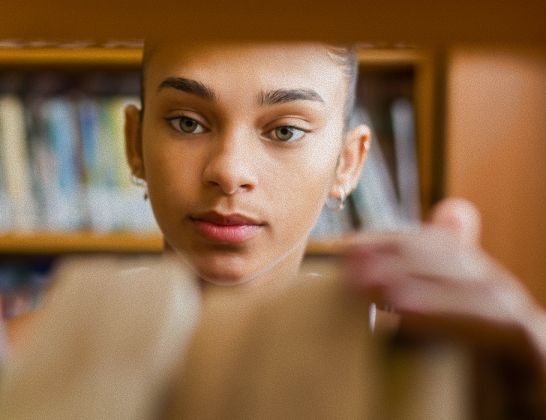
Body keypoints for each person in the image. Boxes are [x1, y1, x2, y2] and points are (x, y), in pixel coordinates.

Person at [1, 40, 544, 417]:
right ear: (134, 143)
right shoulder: (19, 363)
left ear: (349, 163)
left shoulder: (425, 379)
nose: (229, 171)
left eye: (284, 130)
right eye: (187, 122)